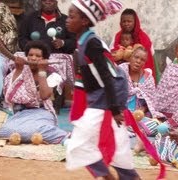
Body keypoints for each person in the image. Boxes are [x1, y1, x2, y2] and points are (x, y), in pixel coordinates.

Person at [65, 1, 141, 179]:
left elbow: (107, 76)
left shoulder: (92, 43)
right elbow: (88, 76)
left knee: (80, 142)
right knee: (110, 141)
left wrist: (114, 108)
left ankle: (112, 177)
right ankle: (120, 176)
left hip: (109, 93)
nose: (67, 20)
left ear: (84, 21)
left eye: (71, 16)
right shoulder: (83, 41)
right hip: (103, 94)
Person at [0, 40, 69, 144]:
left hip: (43, 113)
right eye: (30, 55)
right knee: (3, 132)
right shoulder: (21, 71)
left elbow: (44, 96)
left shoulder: (53, 75)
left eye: (38, 56)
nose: (33, 58)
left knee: (25, 131)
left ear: (44, 59)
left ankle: (60, 137)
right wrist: (18, 70)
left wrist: (42, 71)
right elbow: (9, 96)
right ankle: (38, 135)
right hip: (21, 113)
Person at [110, 8, 158, 81]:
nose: (126, 24)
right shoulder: (117, 37)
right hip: (121, 76)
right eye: (124, 21)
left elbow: (149, 58)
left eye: (129, 21)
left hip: (140, 77)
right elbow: (111, 55)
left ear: (135, 22)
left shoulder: (144, 38)